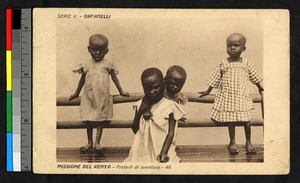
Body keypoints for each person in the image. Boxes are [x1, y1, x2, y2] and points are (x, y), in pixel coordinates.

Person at [199, 33, 264, 155]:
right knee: (231, 121)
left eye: (236, 45)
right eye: (229, 45)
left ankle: (248, 142)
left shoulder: (246, 63)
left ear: (243, 49)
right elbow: (216, 77)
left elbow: (255, 77)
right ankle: (232, 142)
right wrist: (208, 91)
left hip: (242, 97)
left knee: (247, 120)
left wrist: (261, 88)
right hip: (229, 97)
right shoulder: (224, 63)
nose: (232, 48)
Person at [69, 34, 129, 152]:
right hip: (89, 97)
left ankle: (97, 142)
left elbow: (114, 78)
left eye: (101, 50)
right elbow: (82, 80)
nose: (97, 53)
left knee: (100, 119)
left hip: (102, 97)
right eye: (94, 50)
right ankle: (89, 142)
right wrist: (76, 93)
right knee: (89, 120)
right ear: (89, 49)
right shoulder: (86, 65)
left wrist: (121, 91)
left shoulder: (107, 64)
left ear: (106, 51)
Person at [125, 68, 185, 162]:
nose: (152, 91)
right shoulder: (140, 104)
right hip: (141, 149)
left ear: (163, 84)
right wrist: (141, 111)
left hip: (161, 147)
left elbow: (171, 132)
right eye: (147, 89)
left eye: (156, 87)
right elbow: (135, 129)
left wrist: (164, 152)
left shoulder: (170, 106)